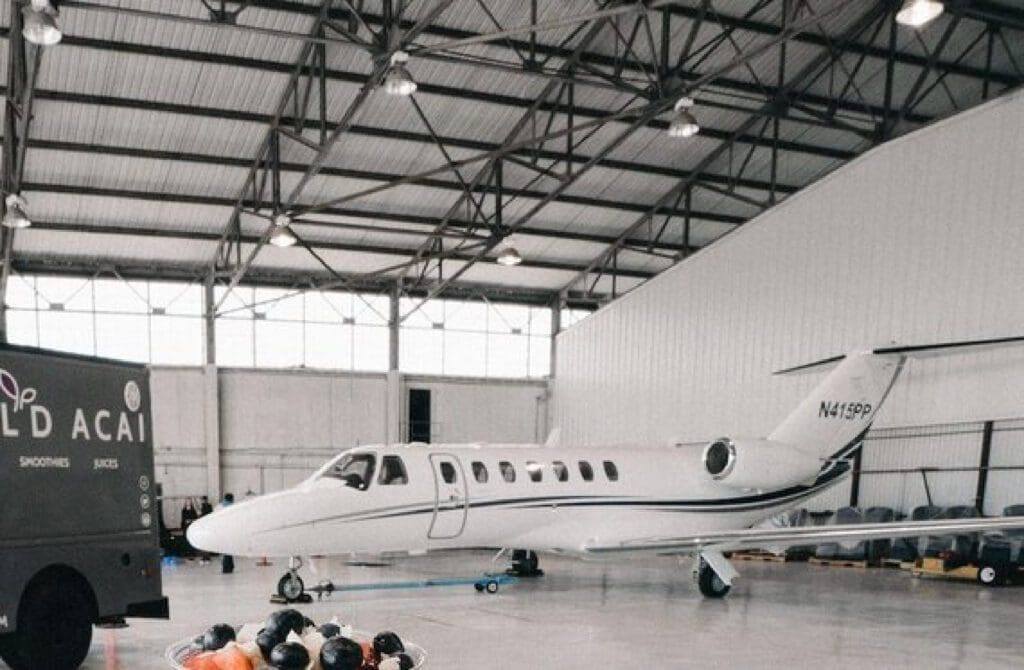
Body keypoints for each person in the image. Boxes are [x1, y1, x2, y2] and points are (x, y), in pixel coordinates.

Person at [218, 493, 235, 574]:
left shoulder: (220, 506)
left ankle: (229, 567)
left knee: (225, 550)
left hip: (221, 530)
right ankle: (227, 568)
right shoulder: (232, 507)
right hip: (229, 530)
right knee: (228, 550)